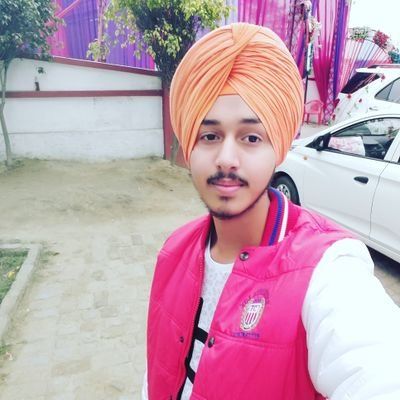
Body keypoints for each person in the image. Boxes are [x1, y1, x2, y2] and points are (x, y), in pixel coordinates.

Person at [143, 23, 400, 400]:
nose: (226, 159)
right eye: (209, 136)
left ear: (278, 148)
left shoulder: (327, 270)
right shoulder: (173, 251)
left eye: (251, 138)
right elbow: (155, 373)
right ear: (188, 150)